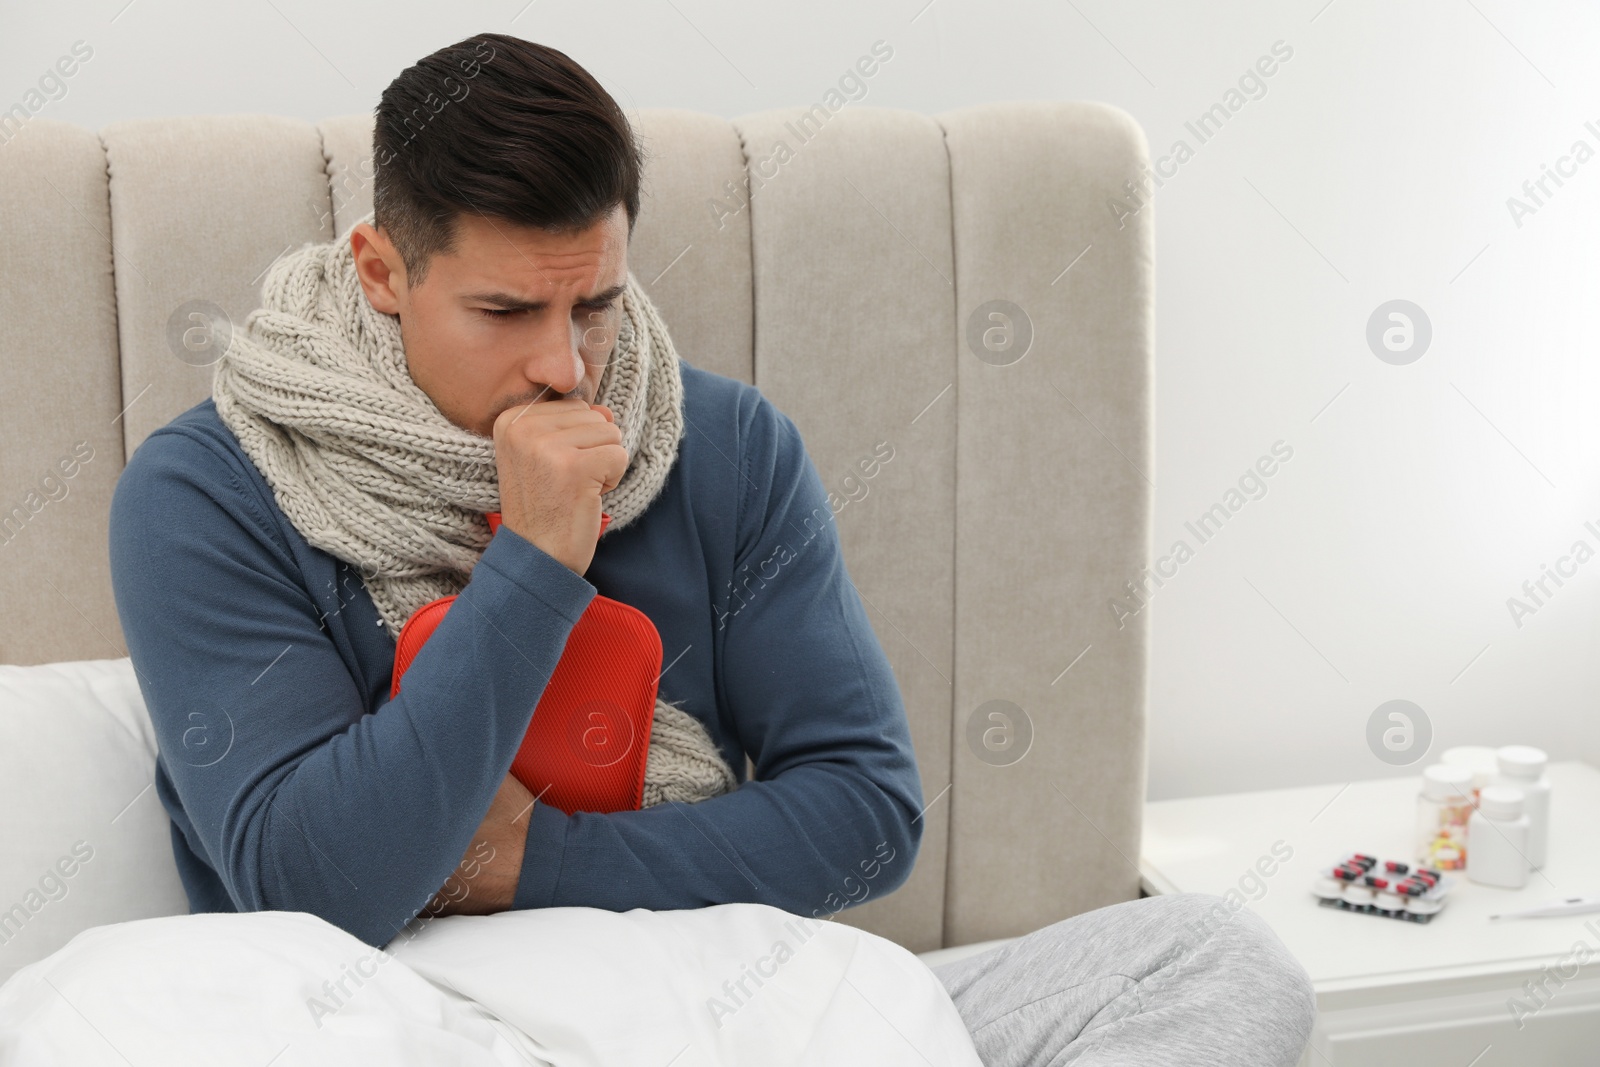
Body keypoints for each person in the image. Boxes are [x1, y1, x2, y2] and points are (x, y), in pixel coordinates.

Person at [107, 31, 1314, 1065]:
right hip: (404, 1021)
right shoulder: (209, 492)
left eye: (592, 304)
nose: (564, 367)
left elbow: (867, 812)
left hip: (741, 1002)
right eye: (504, 311)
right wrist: (532, 558)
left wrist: (533, 860)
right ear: (381, 269)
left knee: (1217, 956)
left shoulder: (723, 446)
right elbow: (318, 883)